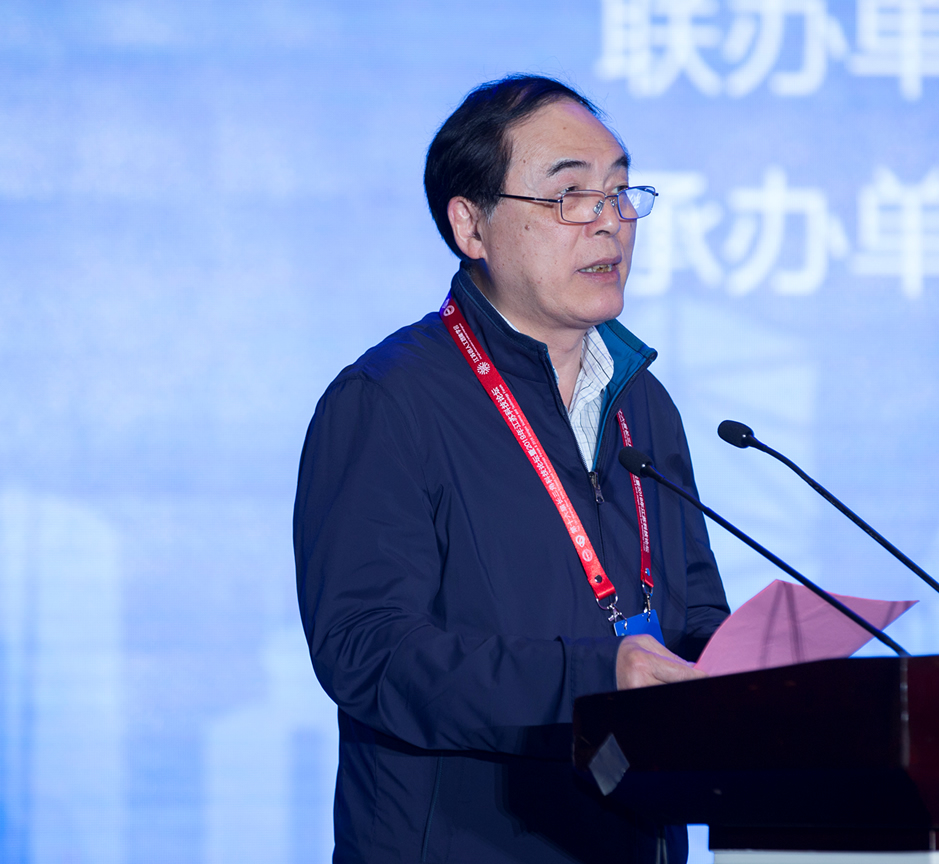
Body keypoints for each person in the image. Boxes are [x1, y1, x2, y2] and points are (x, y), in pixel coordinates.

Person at [294, 75, 730, 864]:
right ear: (471, 225)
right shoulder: (389, 401)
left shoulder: (643, 403)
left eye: (621, 192)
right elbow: (368, 652)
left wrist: (753, 672)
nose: (610, 221)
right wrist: (593, 680)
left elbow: (691, 609)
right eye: (571, 196)